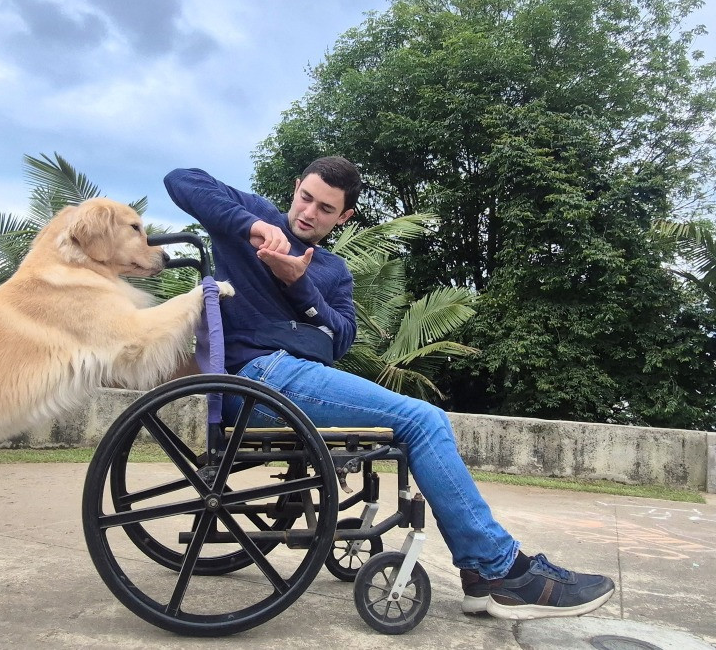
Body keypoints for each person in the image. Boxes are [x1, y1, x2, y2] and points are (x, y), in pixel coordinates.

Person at [163, 158, 614, 621]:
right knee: (424, 419)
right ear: (296, 188)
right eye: (306, 198)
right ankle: (502, 571)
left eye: (325, 208)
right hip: (256, 380)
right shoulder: (253, 218)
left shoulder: (333, 271)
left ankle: (483, 575)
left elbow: (337, 340)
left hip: (293, 381)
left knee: (420, 419)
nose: (308, 213)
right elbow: (181, 179)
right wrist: (255, 226)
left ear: (344, 217)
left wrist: (299, 287)